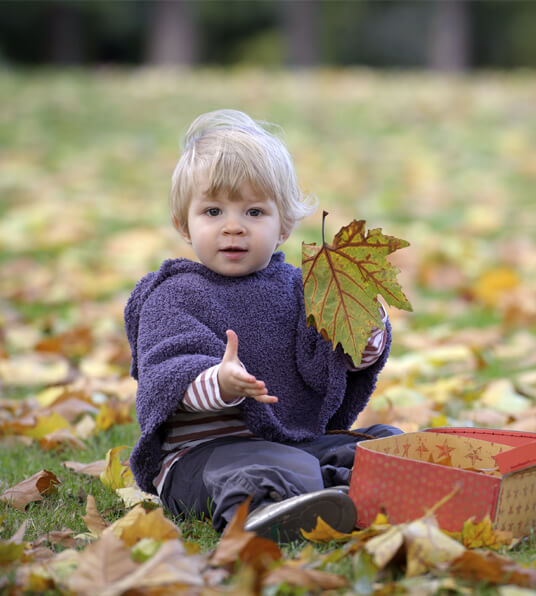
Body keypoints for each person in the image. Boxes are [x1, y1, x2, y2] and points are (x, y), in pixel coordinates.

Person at [124, 109, 399, 541]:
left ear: (284, 225)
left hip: (293, 442)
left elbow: (333, 360)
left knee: (382, 443)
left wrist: (366, 331)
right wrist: (219, 380)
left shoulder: (302, 289)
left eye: (254, 212)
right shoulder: (172, 294)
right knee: (263, 470)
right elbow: (167, 373)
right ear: (183, 223)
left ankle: (348, 490)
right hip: (203, 457)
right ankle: (264, 513)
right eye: (213, 211)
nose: (233, 226)